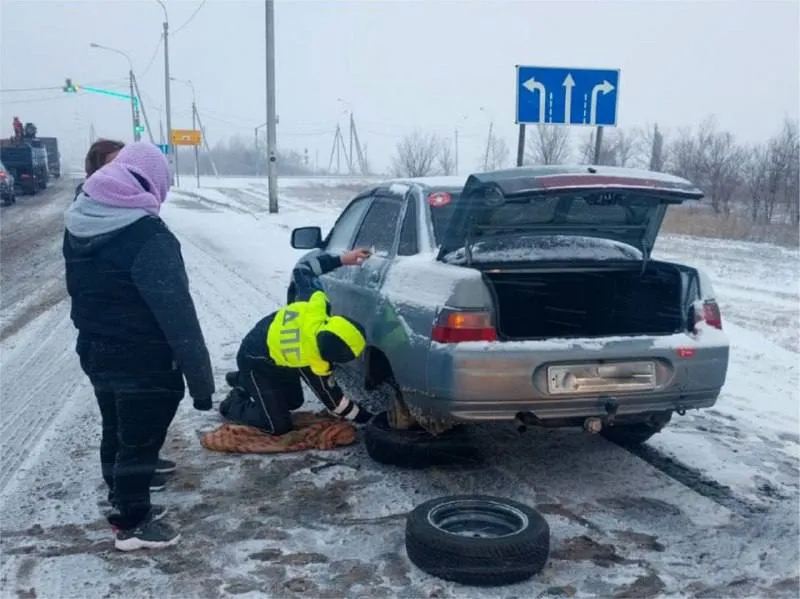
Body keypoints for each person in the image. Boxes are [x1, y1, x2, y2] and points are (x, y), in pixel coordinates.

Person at [63, 142, 214, 551]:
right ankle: (132, 522)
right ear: (150, 182)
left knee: (115, 428)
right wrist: (201, 384)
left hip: (96, 349)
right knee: (140, 440)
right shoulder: (147, 235)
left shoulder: (80, 222)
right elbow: (178, 316)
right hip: (143, 359)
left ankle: (122, 497)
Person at [221, 249, 375, 435]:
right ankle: (233, 403)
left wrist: (343, 259)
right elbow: (334, 402)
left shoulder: (316, 305)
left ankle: (242, 380)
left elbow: (304, 268)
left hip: (277, 356)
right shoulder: (313, 360)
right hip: (254, 360)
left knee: (294, 402)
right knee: (277, 425)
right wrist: (366, 418)